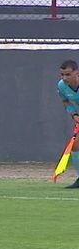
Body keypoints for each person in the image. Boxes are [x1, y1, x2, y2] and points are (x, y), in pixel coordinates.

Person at [57, 59, 79, 188]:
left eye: (68, 75)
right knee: (76, 146)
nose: (64, 78)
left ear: (77, 73)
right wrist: (74, 114)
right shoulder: (61, 86)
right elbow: (65, 101)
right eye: (62, 75)